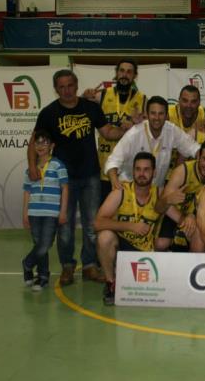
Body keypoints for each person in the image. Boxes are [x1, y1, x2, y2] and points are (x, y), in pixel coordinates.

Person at [28, 69, 127, 286]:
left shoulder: (90, 107)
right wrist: (32, 166)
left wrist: (128, 127)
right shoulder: (48, 113)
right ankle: (67, 266)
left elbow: (108, 132)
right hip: (62, 179)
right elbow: (34, 140)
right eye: (61, 87)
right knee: (65, 226)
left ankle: (90, 265)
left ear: (76, 84)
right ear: (56, 89)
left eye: (70, 85)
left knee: (93, 224)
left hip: (91, 174)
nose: (66, 90)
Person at [94, 152, 174, 305]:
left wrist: (188, 218)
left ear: (154, 172)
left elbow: (180, 219)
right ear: (132, 171)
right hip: (123, 246)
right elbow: (97, 223)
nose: (141, 174)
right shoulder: (120, 191)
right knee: (104, 237)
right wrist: (130, 226)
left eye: (146, 169)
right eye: (138, 169)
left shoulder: (160, 194)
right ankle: (111, 283)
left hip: (147, 251)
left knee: (164, 242)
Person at [82, 58, 146, 203]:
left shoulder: (143, 99)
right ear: (116, 73)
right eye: (122, 71)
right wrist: (84, 96)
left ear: (135, 76)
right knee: (102, 212)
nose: (125, 75)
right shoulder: (102, 95)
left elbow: (148, 131)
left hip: (129, 170)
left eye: (129, 72)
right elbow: (78, 109)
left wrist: (137, 127)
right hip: (104, 167)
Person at [104, 96, 200, 188]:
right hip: (130, 188)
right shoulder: (134, 134)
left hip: (156, 192)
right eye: (153, 113)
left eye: (161, 113)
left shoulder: (171, 131)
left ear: (167, 115)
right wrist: (115, 183)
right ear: (147, 114)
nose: (157, 118)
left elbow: (193, 148)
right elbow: (113, 161)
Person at [22, 129, 68, 291]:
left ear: (52, 146)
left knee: (45, 244)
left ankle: (27, 264)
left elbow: (65, 189)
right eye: (37, 143)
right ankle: (42, 277)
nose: (40, 146)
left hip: (51, 214)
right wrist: (25, 213)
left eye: (45, 142)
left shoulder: (58, 165)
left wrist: (63, 212)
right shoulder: (31, 169)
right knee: (38, 244)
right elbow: (27, 191)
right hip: (34, 213)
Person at [159, 139, 205, 252]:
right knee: (161, 244)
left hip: (202, 214)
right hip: (178, 213)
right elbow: (163, 206)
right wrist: (184, 219)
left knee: (200, 236)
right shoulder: (182, 172)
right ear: (198, 156)